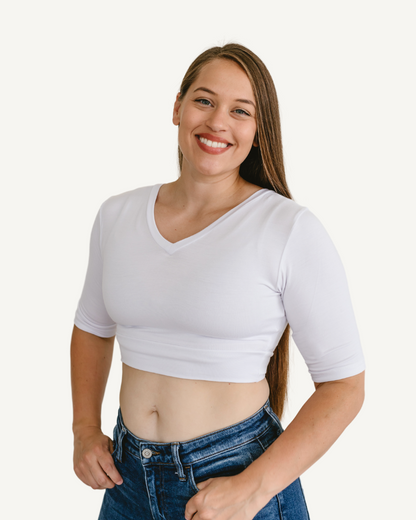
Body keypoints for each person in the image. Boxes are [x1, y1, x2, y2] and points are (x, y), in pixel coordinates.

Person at [71, 43, 365, 520]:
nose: (217, 122)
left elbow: (345, 385)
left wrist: (254, 489)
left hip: (234, 476)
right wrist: (84, 428)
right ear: (177, 107)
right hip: (126, 479)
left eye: (240, 110)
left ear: (257, 131)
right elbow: (91, 326)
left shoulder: (288, 229)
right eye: (204, 100)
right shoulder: (117, 215)